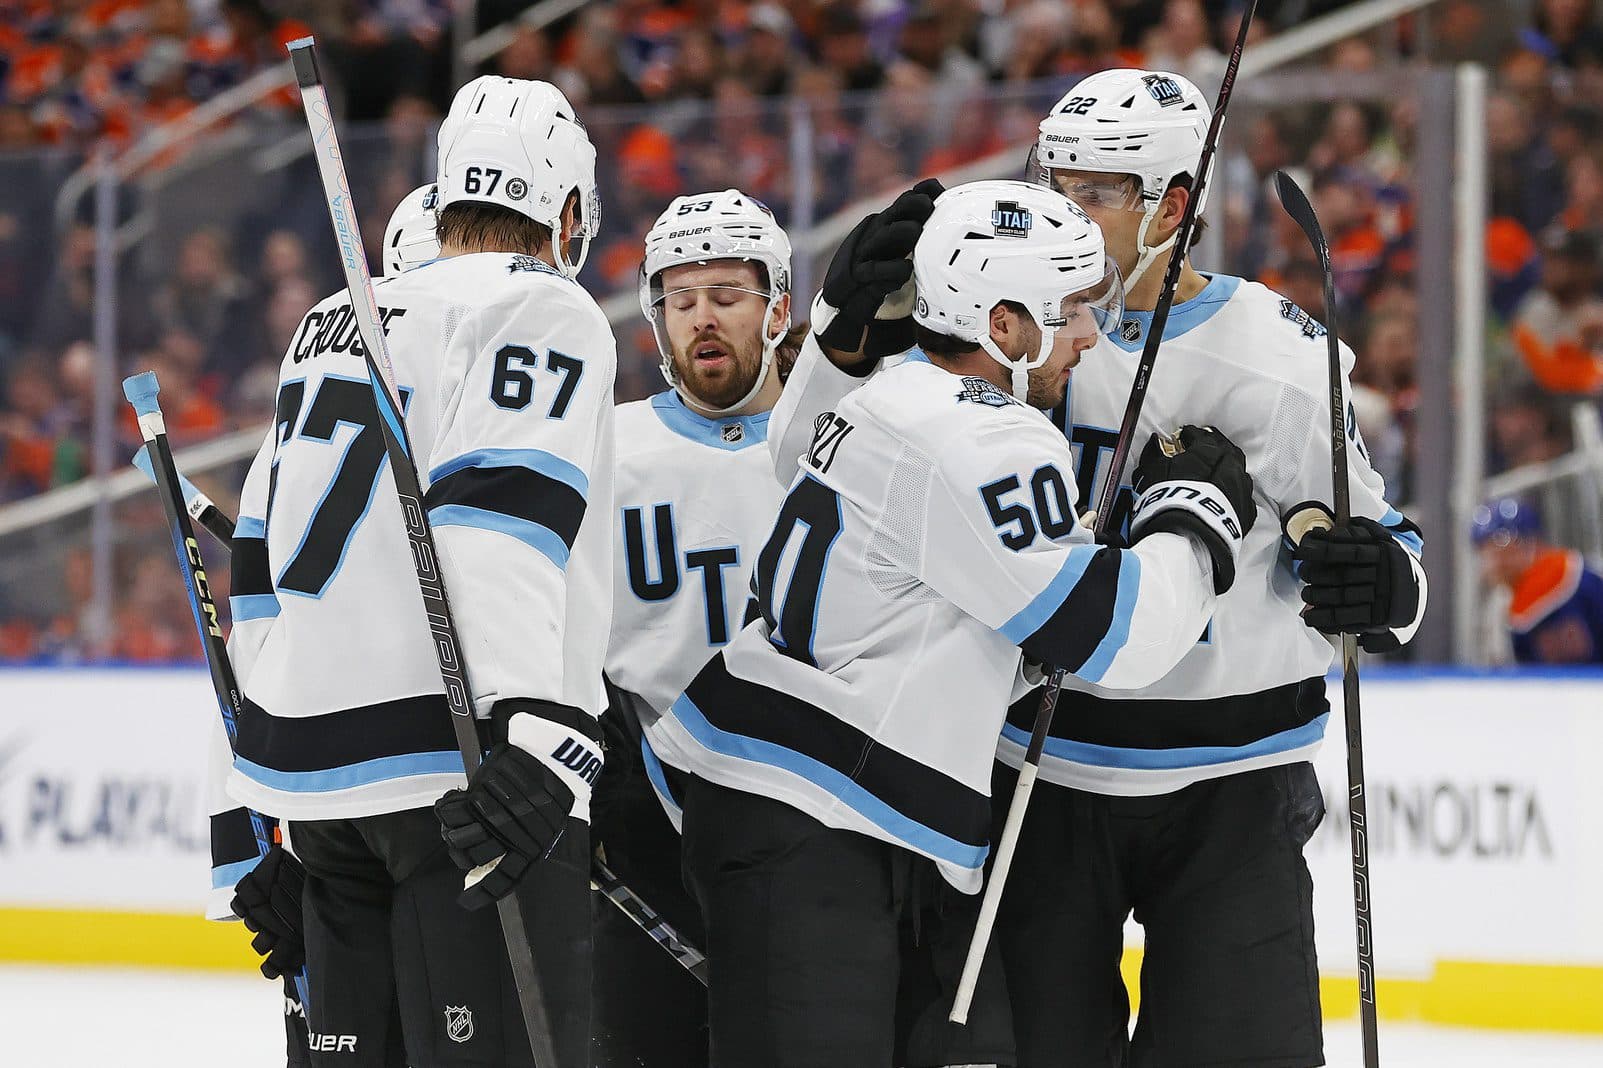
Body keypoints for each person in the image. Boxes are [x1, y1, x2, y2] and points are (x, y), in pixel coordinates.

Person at [646, 178, 1259, 1066]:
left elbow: (801, 450)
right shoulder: (983, 437)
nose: (1092, 334)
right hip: (811, 824)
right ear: (1002, 326)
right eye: (1074, 309)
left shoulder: (888, 397)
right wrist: (1192, 520)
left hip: (801, 811)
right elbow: (1111, 636)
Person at [993, 68, 1428, 1066]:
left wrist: (1383, 584)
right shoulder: (1009, 336)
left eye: (1093, 193)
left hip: (1234, 784)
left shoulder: (1272, 359)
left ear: (1172, 207)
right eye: (1052, 185)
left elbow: (1389, 557)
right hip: (1043, 765)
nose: (1061, 214)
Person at [223, 76, 613, 1068]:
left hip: (318, 794)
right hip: (460, 768)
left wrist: (258, 812)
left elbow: (259, 572)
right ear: (566, 209)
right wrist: (543, 725)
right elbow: (501, 517)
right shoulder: (544, 309)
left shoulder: (325, 325)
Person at [216, 185, 443, 1068]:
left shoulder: (284, 444)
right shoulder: (490, 404)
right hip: (435, 787)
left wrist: (257, 836)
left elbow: (254, 641)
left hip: (322, 800)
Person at [593, 188, 799, 1066]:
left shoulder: (840, 442)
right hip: (645, 816)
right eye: (679, 300)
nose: (701, 320)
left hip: (808, 813)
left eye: (726, 295)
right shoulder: (605, 449)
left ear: (779, 309)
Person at [1475, 497, 1603, 664]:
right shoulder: (1506, 599)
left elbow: (1572, 676)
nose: (1494, 562)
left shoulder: (1558, 579)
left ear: (1533, 543)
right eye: (1487, 551)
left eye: (1502, 549)